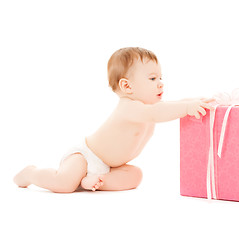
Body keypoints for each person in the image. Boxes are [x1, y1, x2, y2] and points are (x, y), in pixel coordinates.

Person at [13, 47, 214, 193]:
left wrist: (197, 101)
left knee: (135, 176)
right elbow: (160, 113)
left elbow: (171, 106)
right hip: (85, 156)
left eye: (161, 78)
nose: (160, 84)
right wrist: (187, 108)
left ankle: (89, 181)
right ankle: (30, 173)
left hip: (110, 167)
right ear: (127, 86)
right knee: (64, 183)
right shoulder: (130, 107)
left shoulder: (149, 107)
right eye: (153, 79)